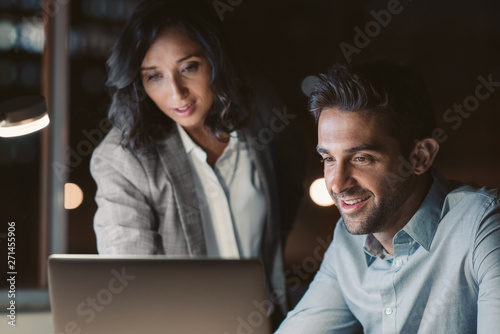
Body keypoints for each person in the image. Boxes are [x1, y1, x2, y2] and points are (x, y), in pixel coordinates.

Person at [90, 0, 304, 326]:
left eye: (189, 67)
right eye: (154, 76)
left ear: (215, 60)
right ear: (138, 82)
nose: (176, 93)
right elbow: (129, 283)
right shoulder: (122, 159)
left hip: (269, 324)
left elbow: (288, 180)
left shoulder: (261, 108)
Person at [275, 60, 500, 333]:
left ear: (419, 157)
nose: (335, 183)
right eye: (328, 158)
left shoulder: (483, 225)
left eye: (361, 158)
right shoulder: (348, 244)